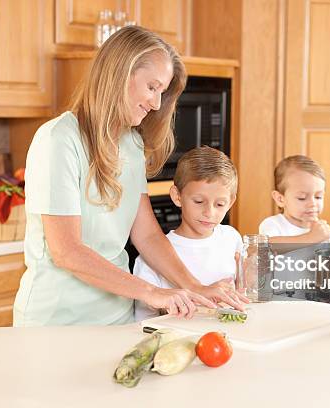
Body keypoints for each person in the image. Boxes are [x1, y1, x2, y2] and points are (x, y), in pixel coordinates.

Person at [13, 26, 246, 327]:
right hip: (59, 320)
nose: (157, 104)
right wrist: (153, 292)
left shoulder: (131, 143)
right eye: (152, 87)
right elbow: (67, 252)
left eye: (162, 92)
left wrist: (195, 287)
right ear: (121, 73)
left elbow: (147, 234)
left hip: (118, 317)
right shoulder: (58, 140)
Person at [133, 146, 242, 321]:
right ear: (177, 196)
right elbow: (145, 321)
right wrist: (201, 301)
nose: (209, 212)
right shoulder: (152, 256)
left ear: (231, 202)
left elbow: (243, 293)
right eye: (199, 201)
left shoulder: (232, 238)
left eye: (220, 204)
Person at [259, 155, 330, 244]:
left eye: (318, 197)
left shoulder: (320, 230)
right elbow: (266, 247)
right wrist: (310, 238)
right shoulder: (273, 224)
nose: (313, 203)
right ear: (280, 199)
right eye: (302, 198)